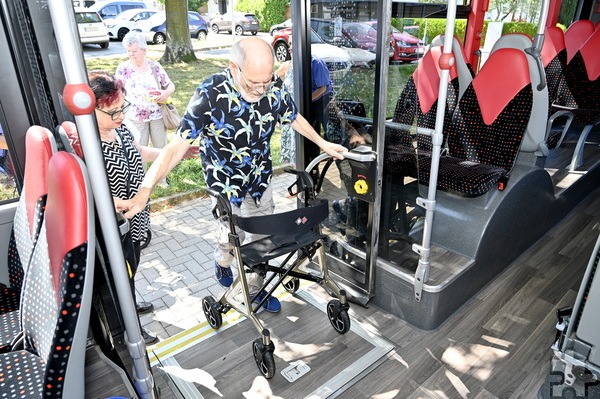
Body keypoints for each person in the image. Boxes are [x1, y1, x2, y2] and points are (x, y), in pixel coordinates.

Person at [117, 37, 347, 313]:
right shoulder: (210, 93)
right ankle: (222, 259)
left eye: (267, 81)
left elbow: (293, 116)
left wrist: (323, 143)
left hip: (260, 179)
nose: (262, 89)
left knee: (264, 239)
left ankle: (255, 291)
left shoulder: (271, 85)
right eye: (253, 83)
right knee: (230, 237)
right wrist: (145, 191)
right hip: (224, 183)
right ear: (234, 68)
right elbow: (177, 145)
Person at [89, 71, 162, 345]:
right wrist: (125, 204)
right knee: (122, 272)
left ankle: (130, 304)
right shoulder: (88, 146)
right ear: (90, 110)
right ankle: (130, 329)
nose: (120, 115)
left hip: (134, 216)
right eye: (112, 111)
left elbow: (137, 151)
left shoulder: (118, 129)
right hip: (116, 224)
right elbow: (96, 196)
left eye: (123, 108)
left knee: (132, 266)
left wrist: (169, 154)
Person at [115, 31, 175, 150]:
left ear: (144, 50)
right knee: (139, 153)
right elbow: (117, 92)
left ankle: (163, 169)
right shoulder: (123, 68)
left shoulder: (155, 66)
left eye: (134, 51)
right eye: (128, 51)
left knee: (161, 151)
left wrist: (166, 93)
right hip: (135, 117)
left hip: (157, 115)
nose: (131, 54)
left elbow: (170, 85)